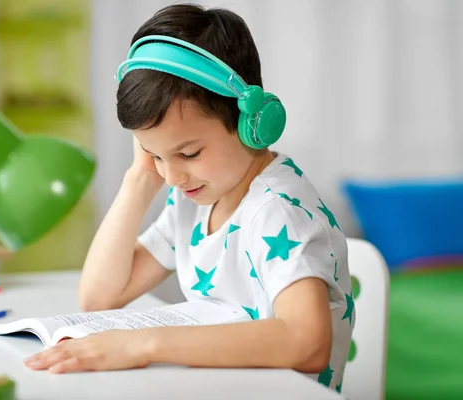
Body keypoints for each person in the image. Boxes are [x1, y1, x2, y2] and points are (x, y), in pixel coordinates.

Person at [24, 3, 354, 392]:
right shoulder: (194, 198)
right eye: (155, 154)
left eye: (189, 154)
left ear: (253, 123)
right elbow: (99, 296)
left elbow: (307, 342)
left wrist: (144, 345)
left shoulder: (277, 211)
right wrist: (138, 180)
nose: (172, 176)